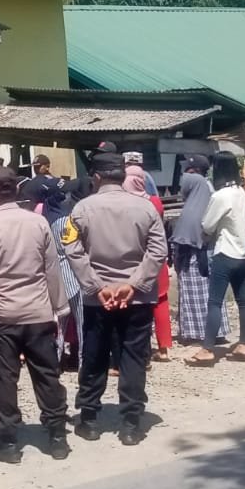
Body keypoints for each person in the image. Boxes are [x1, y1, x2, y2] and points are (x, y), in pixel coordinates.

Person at [60, 151, 167, 443]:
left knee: (94, 354)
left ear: (96, 177)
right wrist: (134, 284)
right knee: (134, 355)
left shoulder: (81, 209)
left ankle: (90, 419)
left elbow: (71, 249)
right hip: (138, 298)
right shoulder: (146, 208)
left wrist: (96, 286)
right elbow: (158, 251)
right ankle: (132, 423)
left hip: (98, 299)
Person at [0, 166, 71, 463]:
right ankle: (57, 436)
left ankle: (8, 442)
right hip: (39, 313)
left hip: (4, 315)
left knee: (3, 378)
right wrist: (58, 306)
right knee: (47, 375)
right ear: (16, 190)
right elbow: (52, 268)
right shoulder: (38, 223)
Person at [186, 153, 245, 366]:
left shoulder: (220, 196)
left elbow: (207, 225)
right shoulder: (241, 192)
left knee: (215, 301)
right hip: (243, 254)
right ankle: (243, 344)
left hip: (224, 253)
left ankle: (207, 349)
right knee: (243, 301)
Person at [171, 155, 228, 348]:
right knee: (199, 292)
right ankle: (205, 332)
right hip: (198, 249)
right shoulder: (200, 191)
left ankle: (204, 333)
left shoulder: (203, 189)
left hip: (201, 251)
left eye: (188, 172)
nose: (183, 179)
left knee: (202, 292)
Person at [123, 163, 174, 360]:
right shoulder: (155, 201)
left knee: (136, 306)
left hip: (134, 260)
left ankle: (140, 351)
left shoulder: (125, 205)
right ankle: (163, 349)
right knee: (160, 301)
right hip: (157, 257)